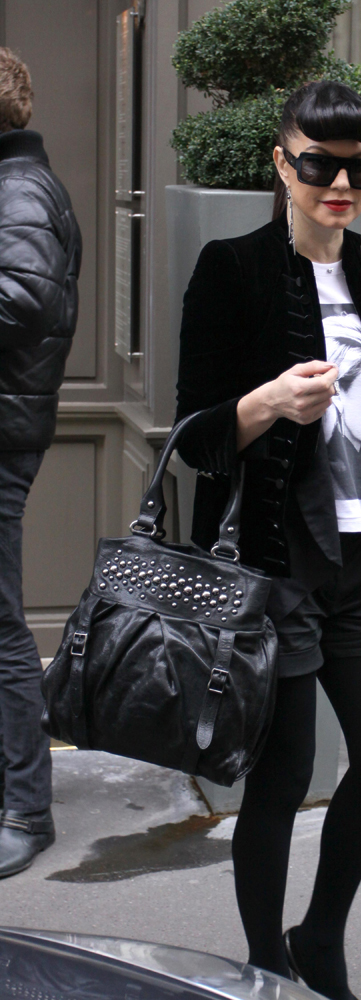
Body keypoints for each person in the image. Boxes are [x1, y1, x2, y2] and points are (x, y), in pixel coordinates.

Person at [176, 81, 361, 1000]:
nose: (342, 186)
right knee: (283, 779)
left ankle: (318, 939)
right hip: (271, 566)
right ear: (281, 164)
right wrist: (267, 403)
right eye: (321, 165)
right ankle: (263, 964)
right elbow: (196, 438)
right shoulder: (232, 269)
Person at [0, 47, 82, 878]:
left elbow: (22, 300)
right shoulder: (18, 184)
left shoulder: (19, 191)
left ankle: (27, 808)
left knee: (0, 630)